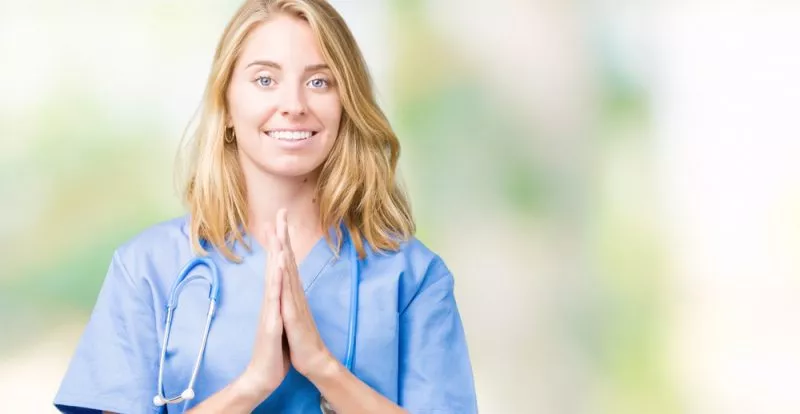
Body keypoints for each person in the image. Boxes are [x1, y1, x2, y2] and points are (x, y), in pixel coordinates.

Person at [53, 0, 477, 412]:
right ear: (228, 106)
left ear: (346, 104)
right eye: (265, 80)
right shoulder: (148, 269)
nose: (293, 105)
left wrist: (324, 369)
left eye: (319, 82)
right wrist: (252, 384)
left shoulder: (415, 278)